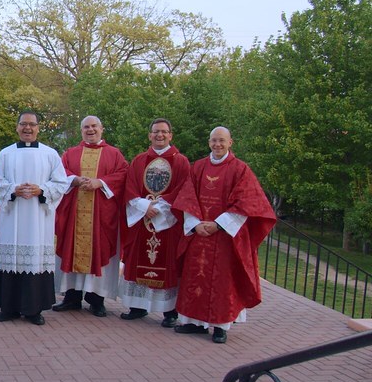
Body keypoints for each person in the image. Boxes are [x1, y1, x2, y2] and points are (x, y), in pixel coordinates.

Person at [171, 126, 276, 344]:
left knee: (222, 281)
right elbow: (187, 197)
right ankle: (193, 322)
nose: (217, 144)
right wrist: (195, 224)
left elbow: (247, 203)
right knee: (195, 276)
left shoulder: (240, 169)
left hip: (225, 236)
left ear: (230, 142)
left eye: (221, 140)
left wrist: (218, 224)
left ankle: (220, 326)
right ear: (209, 142)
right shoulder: (198, 167)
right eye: (213, 141)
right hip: (199, 233)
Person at [0, 111, 73, 325]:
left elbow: (61, 183)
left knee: (35, 260)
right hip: (12, 217)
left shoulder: (50, 154)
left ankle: (34, 310)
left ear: (38, 128)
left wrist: (41, 190)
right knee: (11, 259)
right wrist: (13, 189)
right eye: (23, 124)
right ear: (17, 127)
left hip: (38, 218)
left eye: (32, 124)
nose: (27, 128)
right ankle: (8, 308)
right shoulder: (5, 154)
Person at [53, 115, 129, 318]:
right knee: (71, 249)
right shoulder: (70, 153)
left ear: (101, 129)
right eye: (86, 127)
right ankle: (71, 298)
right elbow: (59, 173)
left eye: (94, 126)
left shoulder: (114, 154)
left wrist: (100, 183)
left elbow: (123, 174)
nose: (90, 130)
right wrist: (75, 179)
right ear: (81, 131)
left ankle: (96, 300)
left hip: (101, 215)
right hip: (74, 215)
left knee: (99, 250)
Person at [118, 119, 191, 327]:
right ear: (149, 135)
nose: (160, 135)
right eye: (156, 131)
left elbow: (183, 190)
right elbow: (130, 187)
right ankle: (138, 306)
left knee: (169, 263)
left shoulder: (181, 162)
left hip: (167, 223)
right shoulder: (139, 160)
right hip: (142, 220)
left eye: (164, 132)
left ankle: (170, 312)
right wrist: (144, 206)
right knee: (137, 260)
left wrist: (158, 208)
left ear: (171, 135)